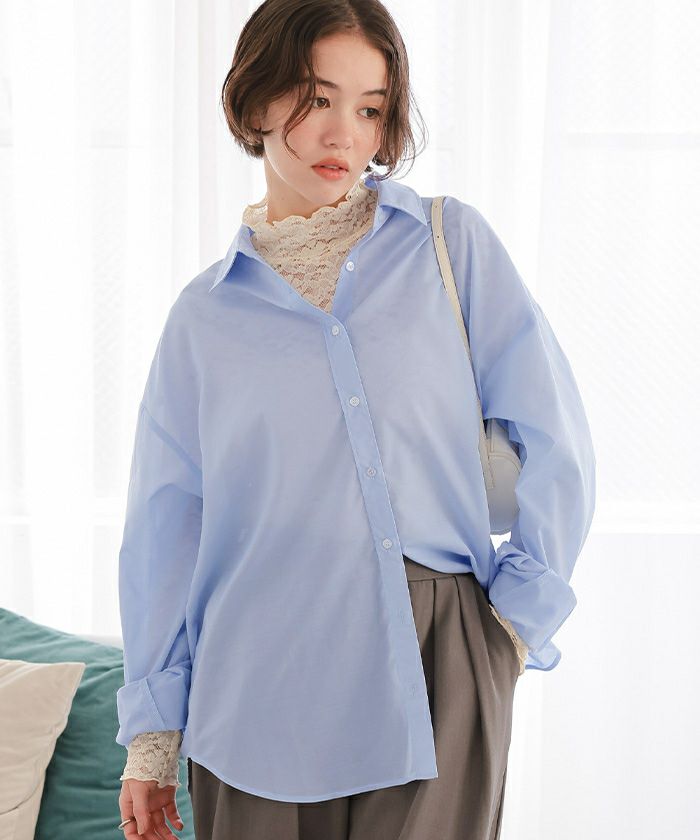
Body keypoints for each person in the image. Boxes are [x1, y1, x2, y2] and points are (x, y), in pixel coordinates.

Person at [115, 0, 596, 838]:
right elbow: (167, 530)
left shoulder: (449, 244)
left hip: (436, 655)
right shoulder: (203, 317)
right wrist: (151, 739)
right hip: (252, 684)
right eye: (316, 98)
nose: (345, 133)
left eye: (371, 108)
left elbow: (556, 438)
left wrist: (512, 625)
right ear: (255, 102)